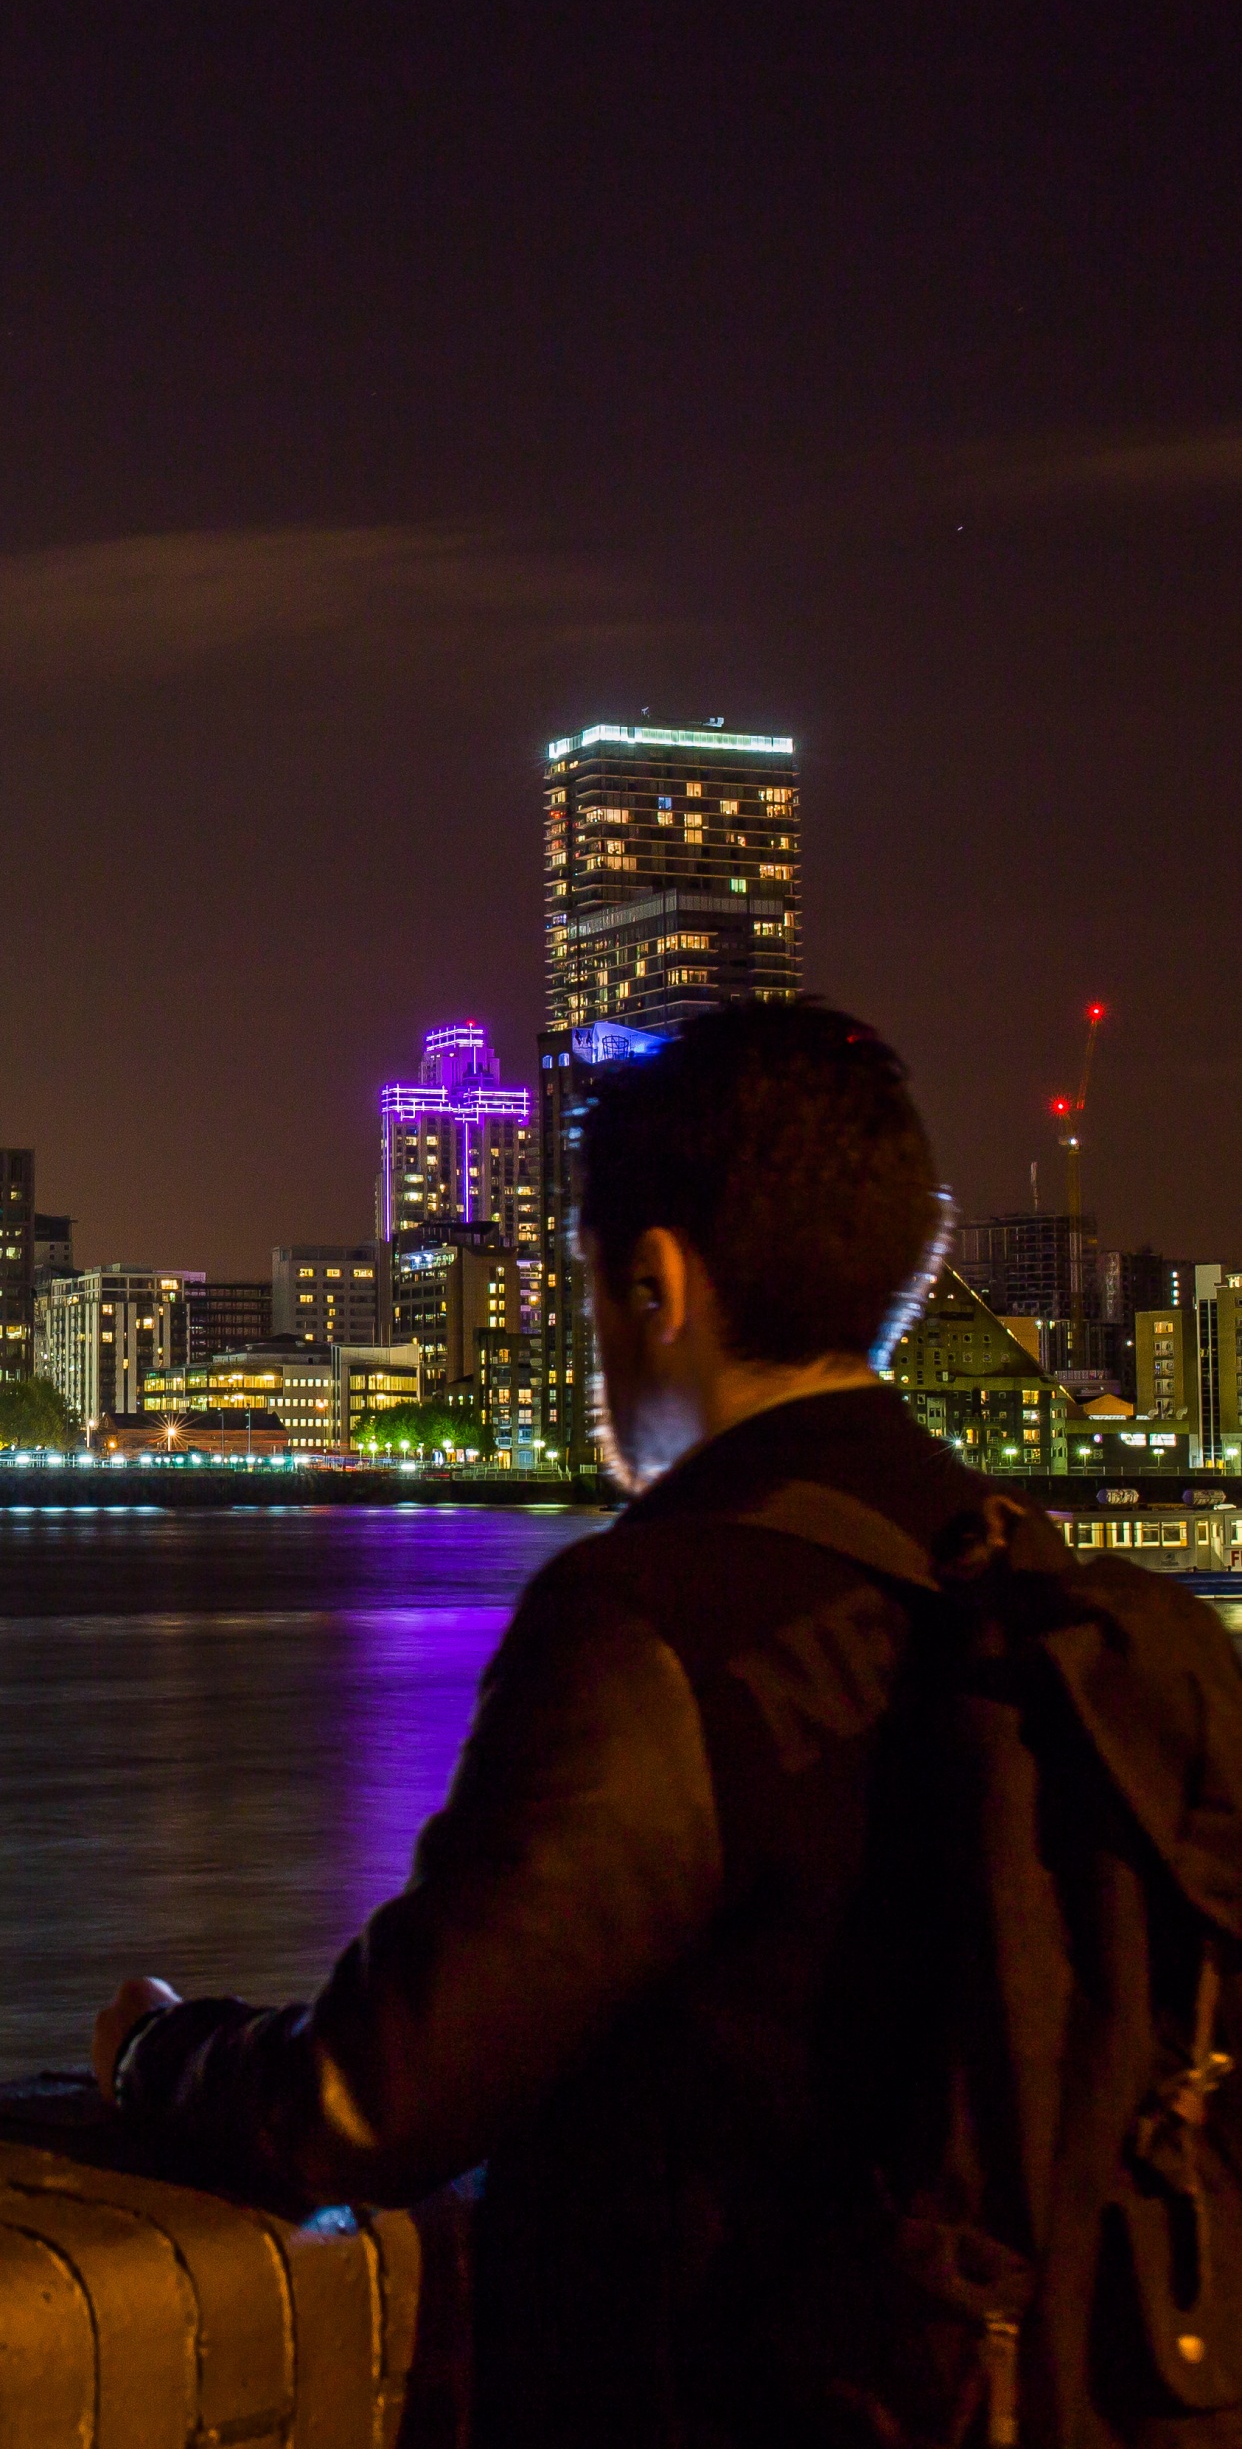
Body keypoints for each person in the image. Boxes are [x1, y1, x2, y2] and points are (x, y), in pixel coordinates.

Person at [92, 1001, 1242, 2448]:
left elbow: (377, 2095)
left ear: (656, 1281)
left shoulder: (654, 1621)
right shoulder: (1074, 1610)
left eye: (589, 1298)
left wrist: (160, 2052)